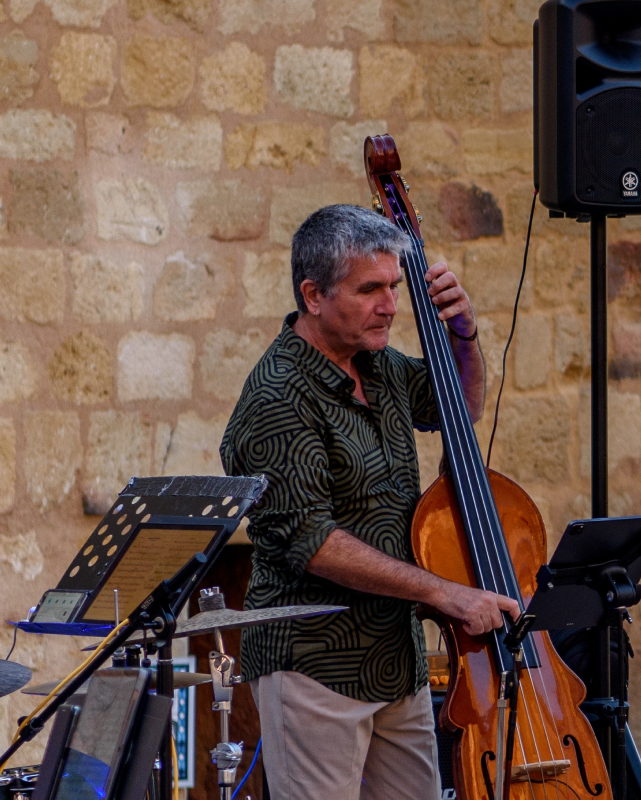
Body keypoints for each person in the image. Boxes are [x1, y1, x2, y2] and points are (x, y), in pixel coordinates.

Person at [219, 204, 514, 799]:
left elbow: (461, 405)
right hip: (315, 668)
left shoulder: (377, 365)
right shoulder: (278, 396)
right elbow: (315, 543)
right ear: (313, 295)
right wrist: (443, 592)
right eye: (370, 289)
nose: (390, 304)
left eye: (395, 287)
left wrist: (462, 333)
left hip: (394, 658)